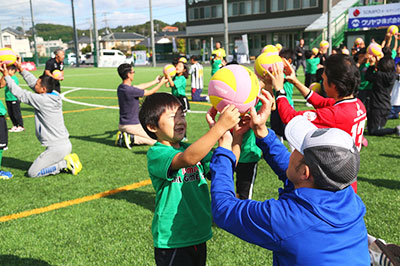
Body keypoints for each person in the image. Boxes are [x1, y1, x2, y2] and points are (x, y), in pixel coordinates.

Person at [209, 90, 370, 265]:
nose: (291, 151)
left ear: (305, 173)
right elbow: (294, 171)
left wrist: (225, 148)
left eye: (297, 149)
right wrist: (261, 131)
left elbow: (224, 208)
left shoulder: (288, 218)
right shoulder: (346, 197)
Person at [138, 92, 240, 266]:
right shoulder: (157, 153)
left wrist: (236, 136)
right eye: (172, 117)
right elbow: (188, 159)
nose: (180, 120)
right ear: (152, 126)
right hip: (174, 238)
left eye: (182, 115)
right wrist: (219, 128)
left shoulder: (192, 149)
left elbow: (227, 166)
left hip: (199, 234)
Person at [273, 54, 367, 192]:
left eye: (323, 79)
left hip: (332, 181)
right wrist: (295, 82)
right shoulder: (357, 105)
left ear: (333, 85)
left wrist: (279, 90)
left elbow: (291, 118)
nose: (322, 82)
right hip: (346, 176)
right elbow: (321, 102)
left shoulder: (336, 114)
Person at [0, 58, 82, 177]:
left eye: (38, 85)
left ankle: (64, 164)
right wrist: (21, 69)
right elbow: (35, 83)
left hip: (56, 148)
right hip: (63, 144)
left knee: (33, 173)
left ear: (43, 90)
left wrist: (6, 75)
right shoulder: (53, 94)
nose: (34, 85)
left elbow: (19, 93)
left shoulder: (42, 100)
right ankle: (63, 160)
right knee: (40, 166)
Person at [116, 63, 166, 148]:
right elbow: (150, 92)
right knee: (156, 140)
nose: (134, 74)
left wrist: (155, 81)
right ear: (128, 74)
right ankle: (131, 138)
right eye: (133, 72)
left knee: (152, 137)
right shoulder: (130, 90)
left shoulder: (122, 87)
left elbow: (139, 87)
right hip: (132, 125)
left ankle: (127, 136)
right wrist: (161, 83)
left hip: (124, 123)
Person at [365, 55, 399, 136]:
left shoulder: (379, 75)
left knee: (373, 131)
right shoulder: (393, 76)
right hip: (386, 106)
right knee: (374, 128)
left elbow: (368, 77)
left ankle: (395, 130)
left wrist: (372, 65)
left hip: (377, 106)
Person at [0, 64, 24, 132]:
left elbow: (6, 85)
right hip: (8, 98)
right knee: (11, 113)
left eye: (9, 69)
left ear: (13, 71)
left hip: (14, 98)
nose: (7, 71)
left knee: (16, 113)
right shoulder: (7, 77)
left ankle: (20, 125)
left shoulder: (14, 78)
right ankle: (15, 125)